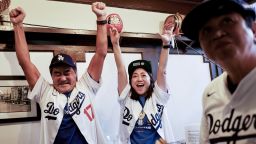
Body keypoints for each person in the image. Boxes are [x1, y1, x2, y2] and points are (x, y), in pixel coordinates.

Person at [9, 2, 108, 144]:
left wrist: (101, 18)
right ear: (52, 76)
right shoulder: (44, 92)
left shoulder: (86, 86)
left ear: (75, 74)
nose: (62, 78)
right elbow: (24, 61)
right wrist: (18, 25)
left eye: (67, 72)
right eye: (57, 73)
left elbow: (101, 53)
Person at [181, 0, 256, 143]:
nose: (217, 34)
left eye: (227, 21)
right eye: (207, 30)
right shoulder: (210, 92)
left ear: (253, 29)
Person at [109, 21, 175, 143]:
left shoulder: (158, 97)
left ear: (150, 79)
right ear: (130, 81)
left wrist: (166, 44)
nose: (139, 79)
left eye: (143, 75)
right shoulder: (126, 98)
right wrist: (115, 44)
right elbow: (121, 71)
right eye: (134, 76)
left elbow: (162, 71)